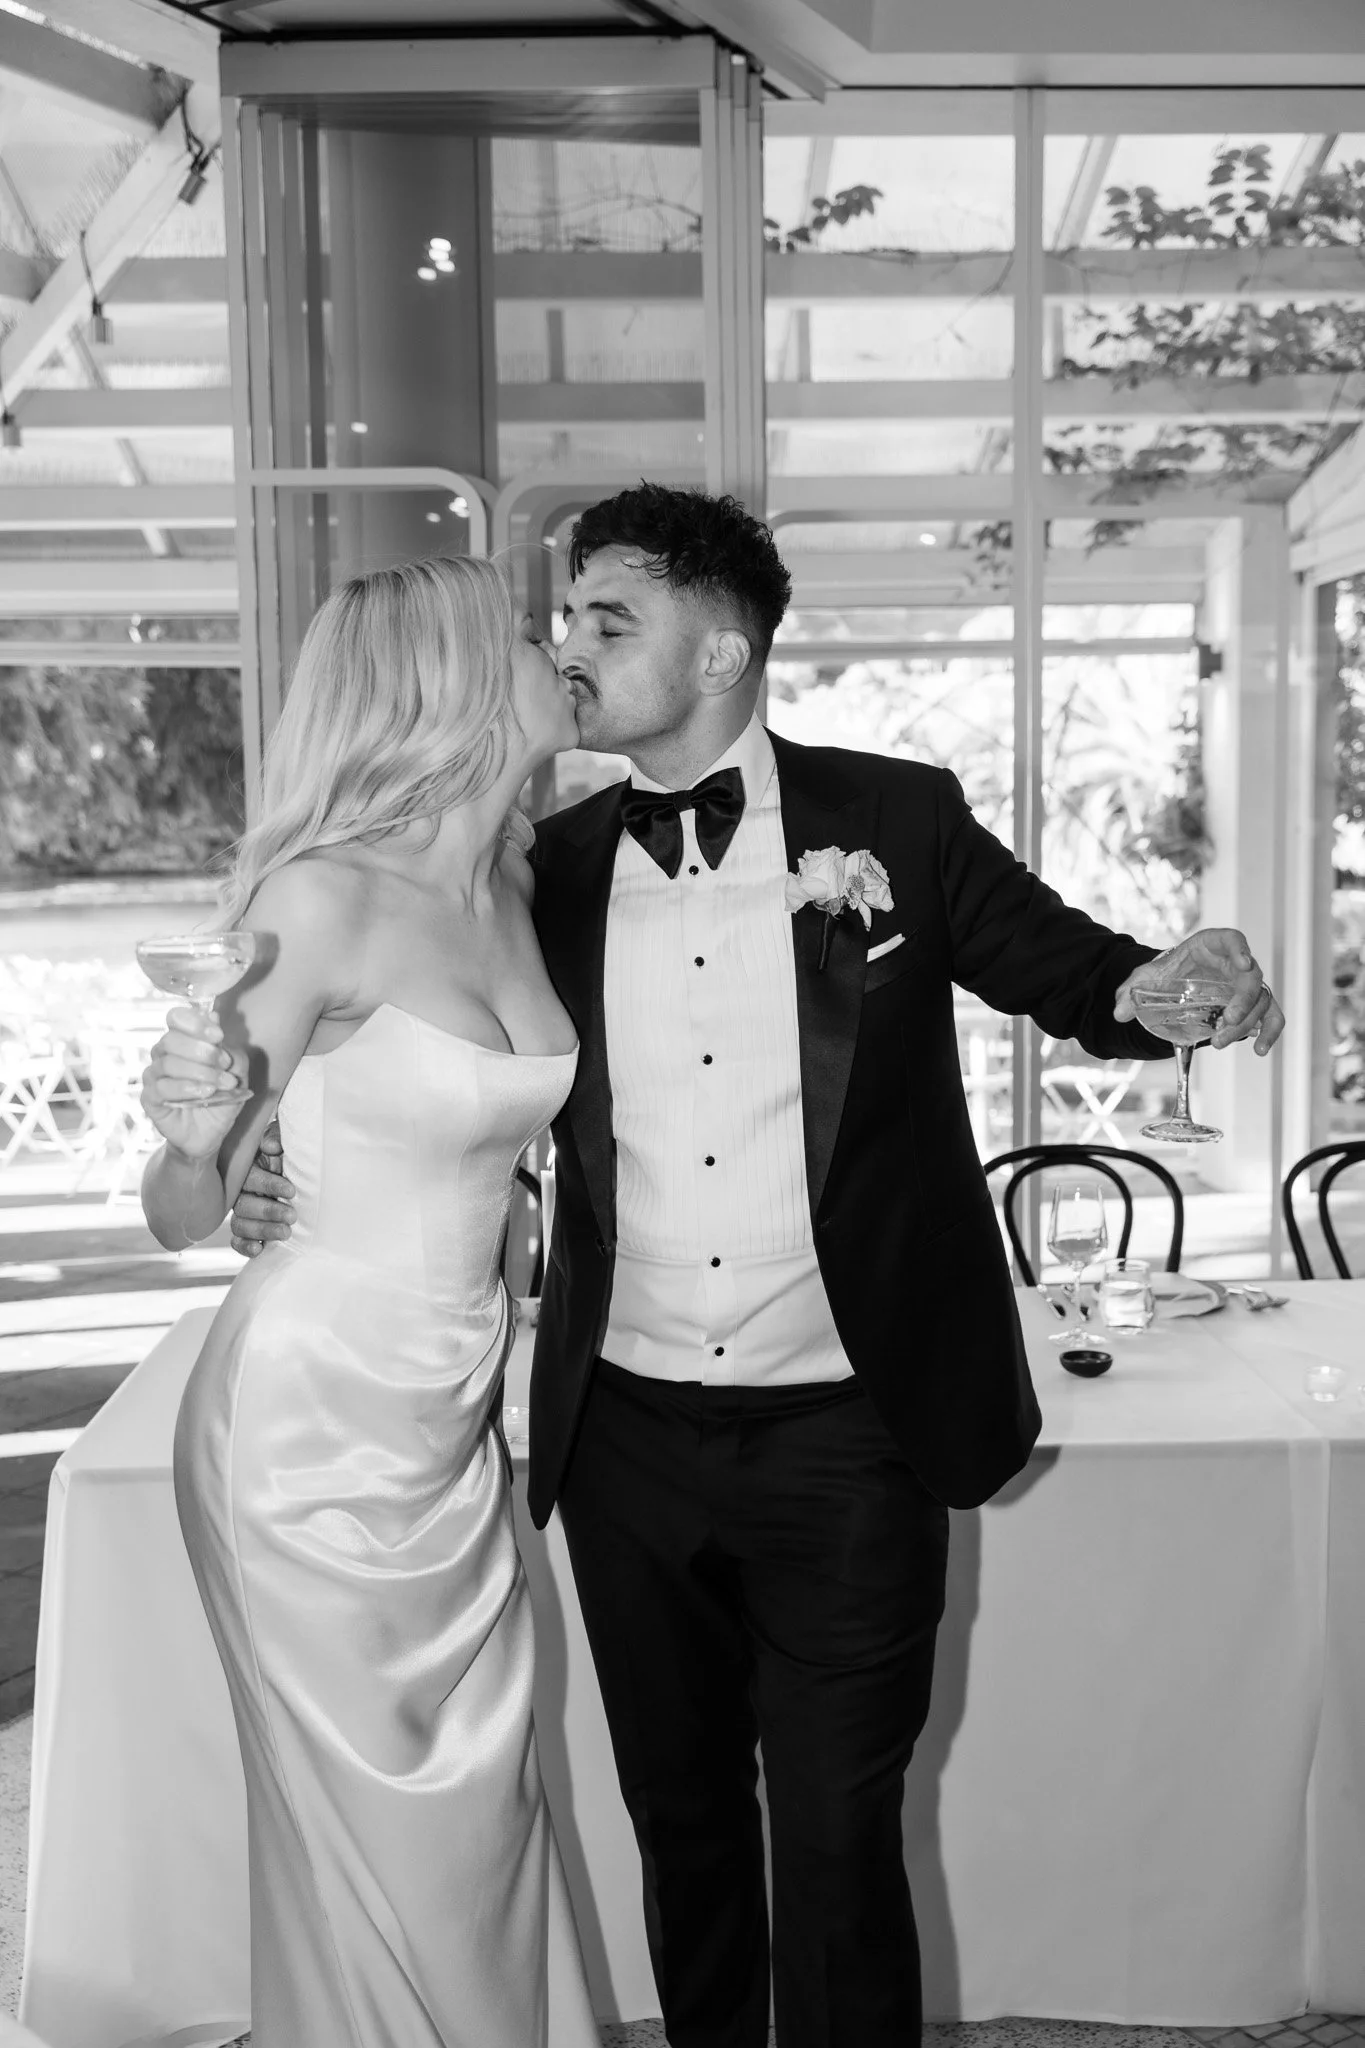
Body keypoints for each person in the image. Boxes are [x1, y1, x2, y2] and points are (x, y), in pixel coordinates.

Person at [230, 487, 1285, 2048]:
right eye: (566, 617)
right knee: (686, 1837)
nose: (567, 649)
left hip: (852, 1436)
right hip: (630, 1439)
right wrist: (281, 1154)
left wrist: (1168, 984)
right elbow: (431, 1068)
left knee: (844, 1845)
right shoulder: (540, 866)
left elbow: (1070, 969)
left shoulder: (899, 819)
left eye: (608, 618)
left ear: (721, 649)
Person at [139, 556, 599, 2048]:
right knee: (375, 1830)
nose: (558, 652)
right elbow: (179, 1211)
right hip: (306, 1433)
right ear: (450, 680)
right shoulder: (319, 897)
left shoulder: (523, 876)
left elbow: (493, 1143)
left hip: (454, 1419)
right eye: (527, 635)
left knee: (479, 1819)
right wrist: (199, 1139)